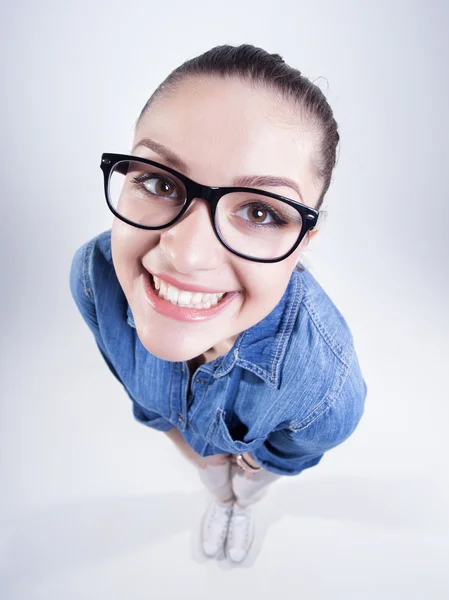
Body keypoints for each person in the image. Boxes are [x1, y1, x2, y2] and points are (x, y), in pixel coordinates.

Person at [70, 44, 367, 564]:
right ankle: (218, 498)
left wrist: (253, 465)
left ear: (303, 242)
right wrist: (185, 443)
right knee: (212, 477)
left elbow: (296, 452)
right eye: (159, 182)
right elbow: (135, 387)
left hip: (258, 464)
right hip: (193, 443)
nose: (185, 254)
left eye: (258, 211)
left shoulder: (327, 384)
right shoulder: (94, 279)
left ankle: (242, 507)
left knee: (245, 488)